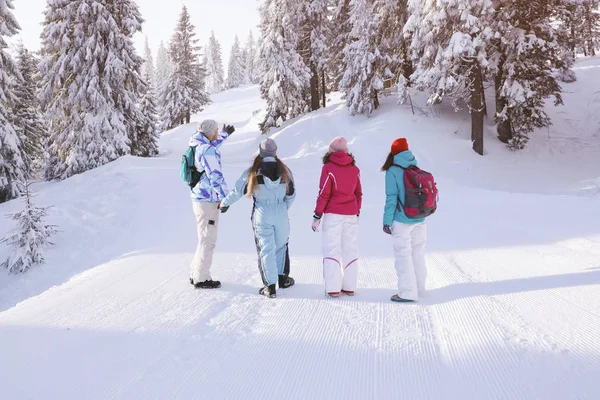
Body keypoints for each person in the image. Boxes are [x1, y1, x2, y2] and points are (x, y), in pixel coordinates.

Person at [219, 138, 296, 298]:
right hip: (281, 213)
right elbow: (291, 194)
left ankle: (270, 287)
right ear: (275, 153)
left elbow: (237, 191)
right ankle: (283, 279)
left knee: (266, 249)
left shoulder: (252, 172)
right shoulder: (285, 171)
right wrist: (282, 208)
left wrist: (224, 204)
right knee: (281, 246)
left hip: (262, 214)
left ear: (261, 153)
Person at [312, 137, 362, 298]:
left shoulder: (328, 168)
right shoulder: (355, 169)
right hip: (351, 214)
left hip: (333, 214)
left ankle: (333, 288)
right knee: (350, 248)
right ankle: (350, 286)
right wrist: (357, 211)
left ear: (331, 151)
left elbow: (324, 193)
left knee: (332, 248)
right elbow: (358, 194)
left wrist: (317, 215)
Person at [188, 119, 235, 289]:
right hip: (208, 200)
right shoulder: (206, 150)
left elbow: (212, 143)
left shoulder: (197, 143)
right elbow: (215, 175)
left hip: (199, 198)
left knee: (203, 238)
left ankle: (195, 273)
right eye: (216, 130)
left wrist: (224, 135)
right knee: (208, 240)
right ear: (210, 132)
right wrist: (225, 198)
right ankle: (201, 278)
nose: (217, 132)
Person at [382, 138, 427, 302]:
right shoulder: (415, 166)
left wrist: (386, 221)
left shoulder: (393, 170)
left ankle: (407, 292)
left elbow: (391, 198)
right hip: (419, 219)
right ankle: (420, 289)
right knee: (418, 254)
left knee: (403, 256)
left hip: (402, 220)